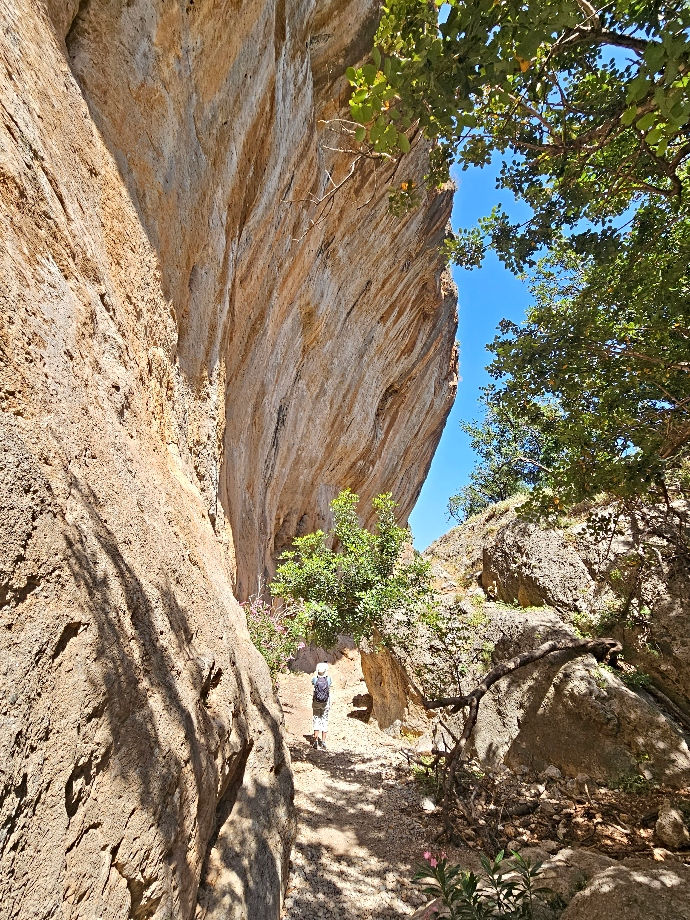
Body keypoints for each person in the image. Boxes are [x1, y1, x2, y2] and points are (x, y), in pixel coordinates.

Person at [311, 662, 332, 749]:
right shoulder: (328, 679)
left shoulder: (315, 679)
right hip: (325, 703)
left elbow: (312, 683)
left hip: (316, 702)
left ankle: (315, 742)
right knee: (324, 720)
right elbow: (330, 685)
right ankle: (323, 742)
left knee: (316, 719)